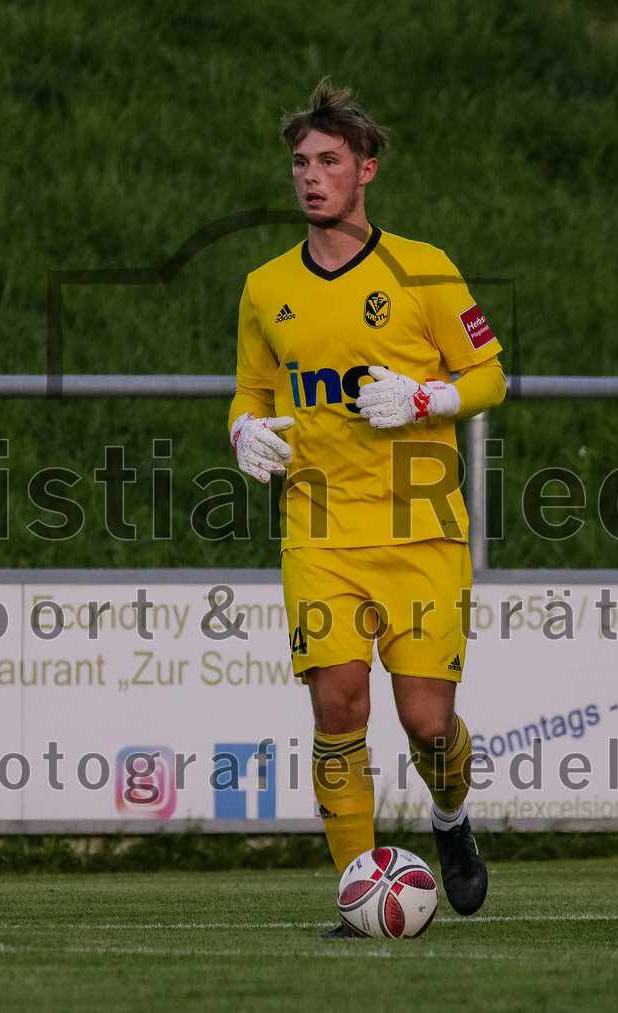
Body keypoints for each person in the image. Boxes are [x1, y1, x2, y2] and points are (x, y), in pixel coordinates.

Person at [229, 79, 505, 936]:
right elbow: (250, 392)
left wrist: (429, 402)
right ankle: (359, 893)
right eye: (300, 163)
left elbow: (490, 374)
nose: (311, 177)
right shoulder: (264, 286)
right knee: (338, 707)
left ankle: (450, 819)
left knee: (428, 722)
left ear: (366, 171)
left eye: (329, 162)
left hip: (421, 530)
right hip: (318, 531)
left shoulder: (422, 269)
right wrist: (242, 433)